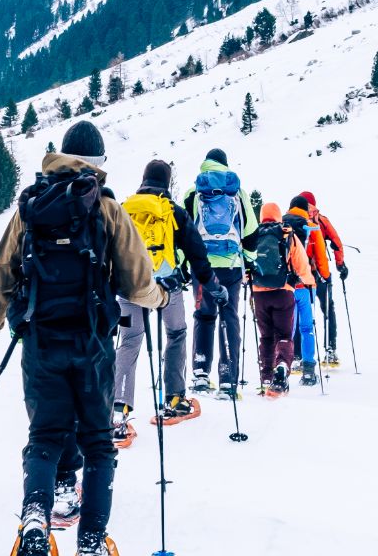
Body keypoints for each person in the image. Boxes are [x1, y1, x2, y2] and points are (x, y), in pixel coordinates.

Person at [0, 120, 165, 556]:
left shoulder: (30, 205)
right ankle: (89, 548)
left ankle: (36, 530)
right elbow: (135, 280)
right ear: (99, 163)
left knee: (43, 438)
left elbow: (1, 271)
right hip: (92, 343)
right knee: (99, 444)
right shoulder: (105, 207)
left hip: (40, 340)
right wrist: (159, 296)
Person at [114, 158, 211, 440]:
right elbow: (196, 250)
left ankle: (118, 411)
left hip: (130, 288)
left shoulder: (124, 209)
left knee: (130, 341)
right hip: (167, 288)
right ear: (167, 182)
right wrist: (210, 282)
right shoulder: (173, 212)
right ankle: (174, 399)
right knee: (177, 333)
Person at [183, 148, 257, 397]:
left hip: (203, 267)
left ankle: (201, 372)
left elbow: (185, 232)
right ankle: (227, 377)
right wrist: (250, 260)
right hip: (231, 265)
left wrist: (185, 264)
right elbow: (250, 230)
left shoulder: (193, 192)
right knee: (229, 315)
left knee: (204, 315)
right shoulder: (237, 191)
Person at [248, 203, 311, 395]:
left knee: (266, 337)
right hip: (283, 292)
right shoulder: (287, 234)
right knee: (284, 335)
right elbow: (302, 265)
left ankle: (266, 377)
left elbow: (246, 263)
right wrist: (307, 281)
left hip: (259, 295)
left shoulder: (253, 235)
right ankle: (282, 367)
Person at [292, 191, 348, 367]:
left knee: (300, 312)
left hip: (298, 274)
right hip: (319, 274)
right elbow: (336, 241)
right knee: (327, 309)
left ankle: (297, 355)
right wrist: (340, 264)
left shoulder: (291, 219)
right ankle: (330, 350)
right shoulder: (320, 220)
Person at [283, 197, 323, 385]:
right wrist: (324, 275)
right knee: (307, 328)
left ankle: (283, 368)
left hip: (286, 287)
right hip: (306, 286)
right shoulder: (310, 226)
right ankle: (308, 371)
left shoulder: (281, 225)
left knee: (287, 330)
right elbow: (321, 254)